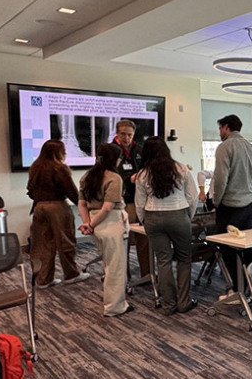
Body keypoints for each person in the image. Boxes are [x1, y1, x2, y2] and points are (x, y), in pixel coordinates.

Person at [136, 137, 199, 315]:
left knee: (163, 261)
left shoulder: (142, 174)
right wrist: (188, 216)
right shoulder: (181, 168)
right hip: (179, 215)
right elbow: (192, 197)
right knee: (184, 259)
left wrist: (144, 220)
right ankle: (184, 302)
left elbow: (139, 203)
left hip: (153, 218)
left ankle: (169, 304)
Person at [78, 143, 132, 317]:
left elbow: (82, 203)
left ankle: (116, 302)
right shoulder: (114, 178)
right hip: (111, 223)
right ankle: (114, 306)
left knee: (108, 264)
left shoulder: (86, 177)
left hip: (95, 222)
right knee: (115, 267)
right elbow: (108, 207)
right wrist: (91, 225)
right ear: (116, 159)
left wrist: (87, 223)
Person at [27, 139, 90, 289]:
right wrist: (83, 207)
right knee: (65, 242)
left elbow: (29, 190)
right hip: (57, 208)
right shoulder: (60, 168)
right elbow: (71, 191)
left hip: (39, 207)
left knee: (42, 244)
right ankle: (71, 274)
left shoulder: (35, 167)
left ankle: (43, 279)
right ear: (58, 152)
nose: (66, 154)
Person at [211, 114, 252, 234]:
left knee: (227, 245)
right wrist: (248, 191)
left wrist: (216, 201)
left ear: (226, 127)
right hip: (249, 205)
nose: (219, 132)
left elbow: (221, 179)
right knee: (247, 243)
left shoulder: (224, 147)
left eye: (220, 128)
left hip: (230, 206)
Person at [112, 119, 151, 279]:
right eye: (123, 134)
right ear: (117, 133)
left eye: (129, 135)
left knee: (144, 240)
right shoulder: (111, 151)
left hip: (141, 201)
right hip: (121, 202)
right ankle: (123, 277)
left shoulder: (140, 149)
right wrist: (129, 179)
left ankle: (147, 274)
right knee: (123, 242)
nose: (126, 138)